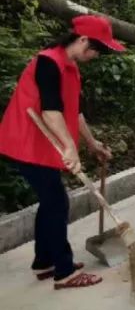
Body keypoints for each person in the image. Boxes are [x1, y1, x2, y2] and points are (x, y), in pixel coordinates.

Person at [0, 15, 124, 289]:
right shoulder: (48, 62)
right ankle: (64, 272)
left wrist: (91, 144)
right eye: (97, 49)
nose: (96, 55)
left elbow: (73, 112)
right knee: (57, 202)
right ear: (82, 40)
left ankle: (44, 263)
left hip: (44, 144)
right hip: (26, 142)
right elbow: (50, 111)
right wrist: (69, 148)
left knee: (51, 201)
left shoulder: (70, 67)